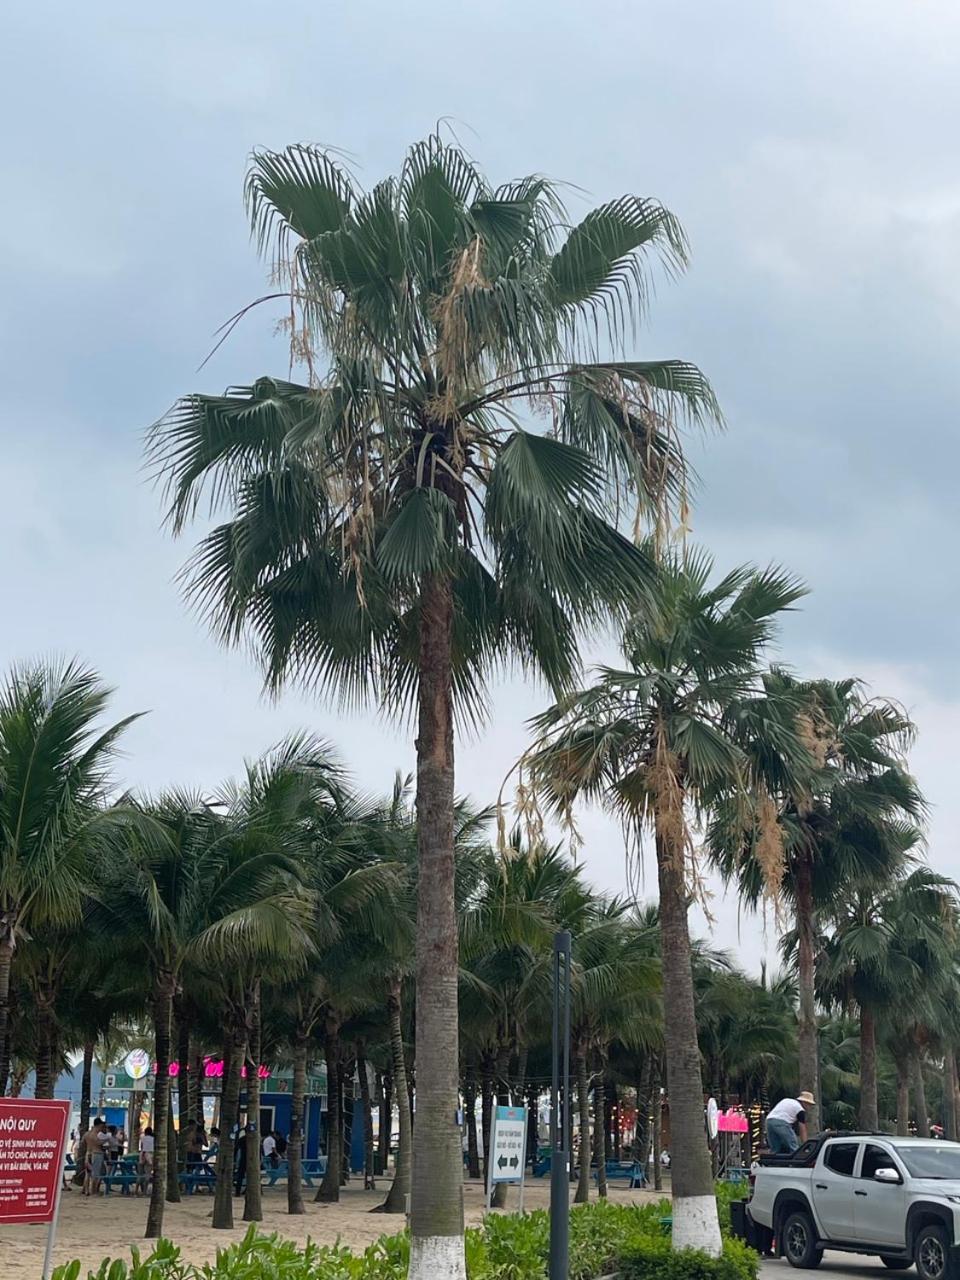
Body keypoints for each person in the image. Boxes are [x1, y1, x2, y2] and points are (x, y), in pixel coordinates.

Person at [82, 1120, 108, 1195]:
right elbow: (98, 1142)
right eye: (101, 1126)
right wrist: (107, 1139)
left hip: (88, 1153)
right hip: (97, 1153)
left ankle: (86, 1190)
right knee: (96, 1173)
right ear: (98, 1125)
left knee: (88, 1174)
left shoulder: (87, 1134)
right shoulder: (96, 1134)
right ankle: (93, 1190)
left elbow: (82, 1142)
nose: (102, 1128)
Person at [138, 1126, 155, 1195]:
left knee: (140, 1174)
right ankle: (144, 1191)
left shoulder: (143, 1138)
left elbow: (142, 1147)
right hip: (150, 1155)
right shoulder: (153, 1139)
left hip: (143, 1154)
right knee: (148, 1174)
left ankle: (137, 1190)